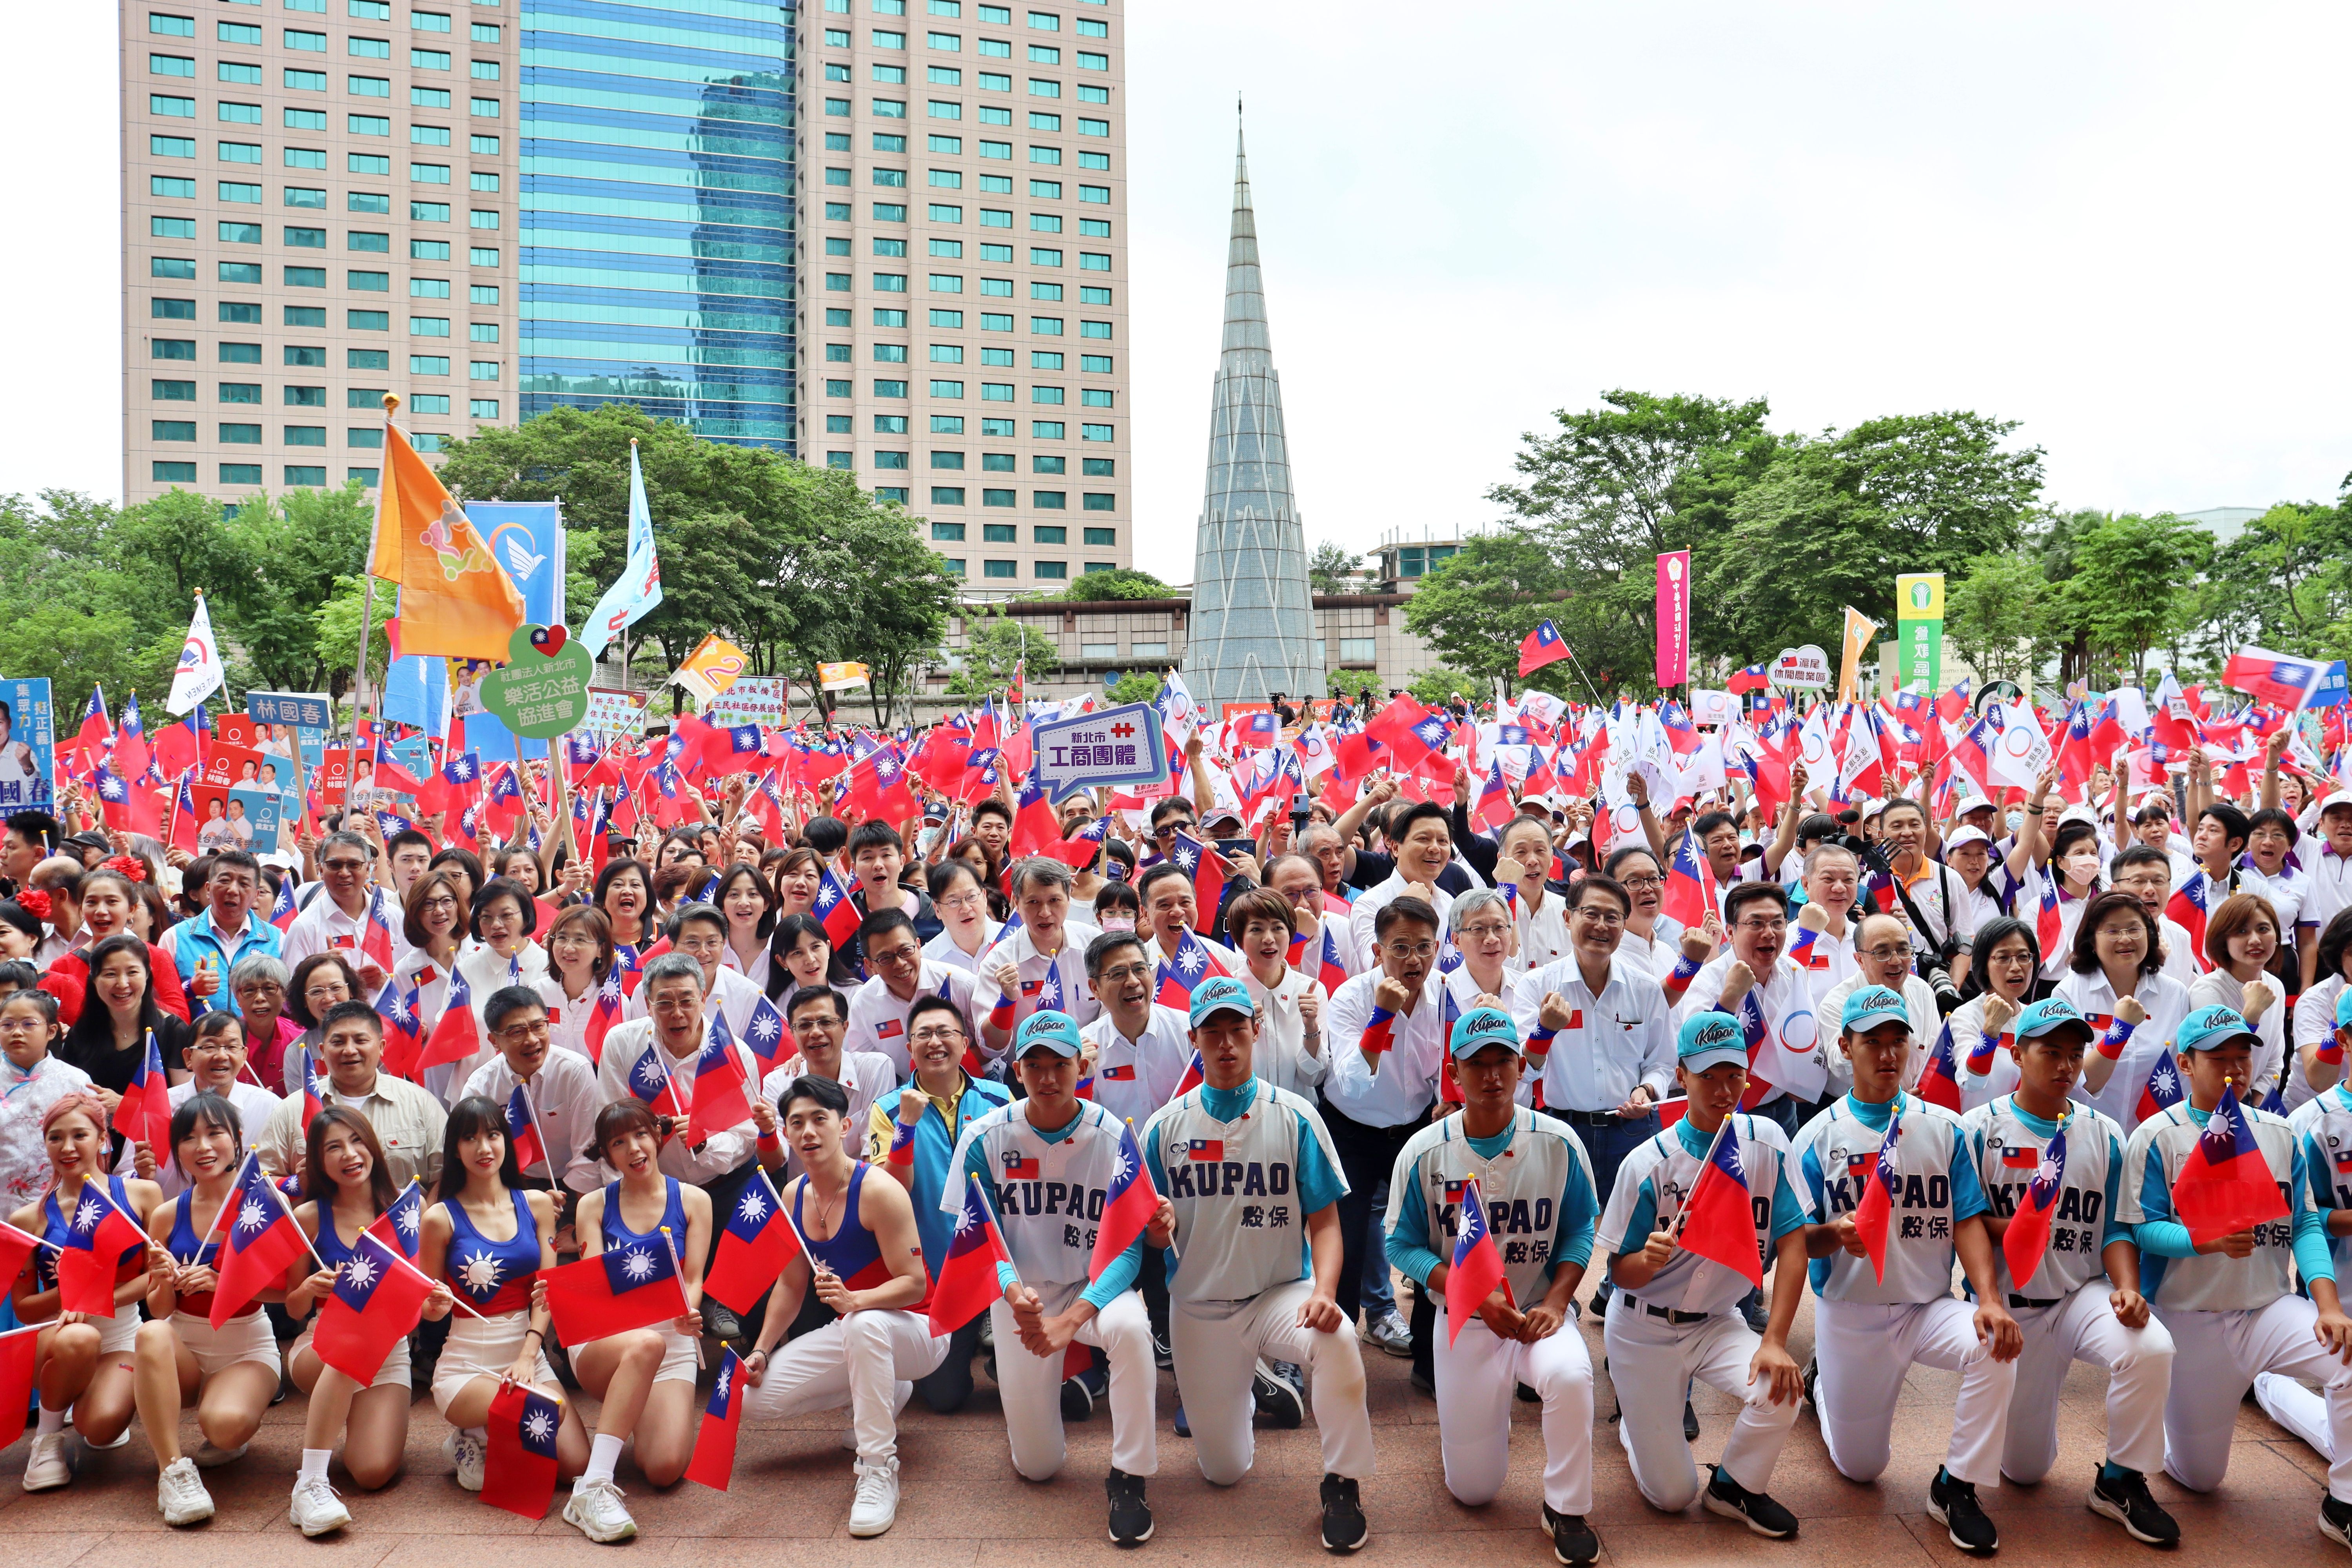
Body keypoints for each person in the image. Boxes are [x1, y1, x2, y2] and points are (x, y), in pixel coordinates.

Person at [1141, 974, 1373, 1552]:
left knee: (1339, 1336)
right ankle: (1250, 1381)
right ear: (1193, 1037)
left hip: (1279, 1294)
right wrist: (1153, 1231)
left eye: (1236, 1029)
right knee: (1223, 1471)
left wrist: (1325, 1289)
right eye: (1212, 1031)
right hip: (1198, 1307)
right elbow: (1143, 1238)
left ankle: (1343, 1482)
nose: (1225, 1043)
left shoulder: (1295, 1115)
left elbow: (1324, 1221)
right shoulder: (1163, 1126)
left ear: (1256, 1030)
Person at [1789, 985, 2023, 1552]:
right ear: (1845, 1046)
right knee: (1861, 1468)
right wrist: (1832, 1235)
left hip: (1927, 1305)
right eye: (1873, 1042)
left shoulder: (1944, 1126)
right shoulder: (1818, 1135)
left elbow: (1968, 1218)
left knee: (1995, 1344)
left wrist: (1987, 1298)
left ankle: (1957, 1486)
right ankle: (1821, 1386)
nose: (1888, 1054)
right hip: (1852, 1313)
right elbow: (1795, 1241)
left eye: (1899, 1041)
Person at [2119, 1004, 2352, 1549]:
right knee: (2203, 1479)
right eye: (2218, 1057)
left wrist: (2328, 1305)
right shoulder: (2157, 1135)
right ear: (2185, 1062)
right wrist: (2206, 1240)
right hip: (2188, 1319)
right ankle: (2264, 1388)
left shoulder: (2277, 1132)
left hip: (2268, 1309)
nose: (2233, 1069)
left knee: (2346, 1354)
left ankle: (2343, 1503)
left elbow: (2308, 1225)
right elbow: (2142, 1232)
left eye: (2241, 1056)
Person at [1954, 996, 2180, 1541]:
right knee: (2026, 1471)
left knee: (2151, 1345)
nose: (2064, 1066)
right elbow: (1966, 1223)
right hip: (2012, 1304)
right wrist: (2004, 1259)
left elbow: (2117, 1229)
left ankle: (2121, 1480)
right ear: (2016, 1052)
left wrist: (2127, 1288)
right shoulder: (1978, 1127)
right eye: (2049, 1052)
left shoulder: (2104, 1132)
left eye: (2075, 1055)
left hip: (2080, 1295)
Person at [1386, 1004, 1604, 1562]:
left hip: (1536, 1311)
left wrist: (1559, 1302)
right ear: (1453, 1074)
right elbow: (1400, 1245)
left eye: (1502, 1061)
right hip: (1463, 1321)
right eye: (1475, 1064)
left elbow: (1581, 1226)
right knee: (1474, 1491)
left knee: (1573, 1376)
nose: (1490, 1076)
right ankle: (1477, 1431)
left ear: (1521, 1067)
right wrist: (1475, 1298)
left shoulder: (1558, 1142)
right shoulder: (1423, 1151)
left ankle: (1566, 1507)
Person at [945, 1010, 1164, 1543]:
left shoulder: (1113, 1134)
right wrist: (1010, 1289)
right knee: (1038, 1467)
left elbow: (1131, 1253)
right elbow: (979, 1237)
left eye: (1060, 1065)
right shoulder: (985, 1135)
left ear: (1082, 1065)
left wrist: (1077, 1318)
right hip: (1022, 1296)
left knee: (1134, 1331)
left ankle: (1130, 1473)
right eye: (1034, 1065)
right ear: (1016, 1069)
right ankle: (1046, 1396)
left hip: (1098, 1288)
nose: (1047, 1077)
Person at [1594, 1010, 1808, 1539]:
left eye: (1733, 1075)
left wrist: (1776, 1340)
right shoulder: (1648, 1163)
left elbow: (1794, 1242)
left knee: (1782, 1388)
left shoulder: (1767, 1141)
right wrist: (1645, 1260)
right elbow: (1618, 1273)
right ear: (1682, 1076)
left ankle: (1735, 1486)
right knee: (1671, 1496)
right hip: (1643, 1330)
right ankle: (1636, 1428)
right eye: (1708, 1075)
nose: (1723, 1089)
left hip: (1716, 1321)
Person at [742, 1074, 949, 1539]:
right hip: (863, 1326)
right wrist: (760, 1350)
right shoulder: (794, 1195)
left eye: (820, 1119)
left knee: (863, 1324)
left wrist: (857, 1301)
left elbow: (915, 1285)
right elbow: (791, 1286)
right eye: (797, 1123)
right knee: (751, 1399)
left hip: (923, 1331)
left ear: (845, 1125)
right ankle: (886, 1393)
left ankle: (877, 1468)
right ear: (787, 1134)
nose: (809, 1132)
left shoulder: (878, 1190)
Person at [418, 1095, 600, 1533]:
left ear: (507, 1141)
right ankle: (469, 1436)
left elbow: (546, 1293)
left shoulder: (537, 1204)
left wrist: (528, 1354)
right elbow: (423, 1304)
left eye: (493, 1134)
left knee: (576, 1465)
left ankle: (488, 1433)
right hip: (466, 1365)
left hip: (527, 1355)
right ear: (456, 1148)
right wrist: (433, 1305)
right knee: (544, 1409)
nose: (484, 1147)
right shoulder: (440, 1217)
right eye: (470, 1137)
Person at [283, 1107, 441, 1535]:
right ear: (318, 1159)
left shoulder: (407, 1212)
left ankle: (350, 1417)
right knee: (347, 1349)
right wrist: (310, 1289)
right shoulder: (310, 1217)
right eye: (334, 1147)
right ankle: (309, 1483)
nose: (349, 1154)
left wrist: (436, 1304)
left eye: (356, 1141)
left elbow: (422, 1304)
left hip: (388, 1355)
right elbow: (294, 1308)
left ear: (372, 1147)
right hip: (322, 1346)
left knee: (372, 1473)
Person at [1507, 876, 1675, 1265]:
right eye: (1591, 914)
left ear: (1624, 923)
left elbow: (1662, 1062)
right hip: (1564, 1129)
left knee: (1636, 1229)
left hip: (1631, 1128)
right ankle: (1555, 1309)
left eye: (1613, 917)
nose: (1602, 925)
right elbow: (1525, 1070)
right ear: (1568, 918)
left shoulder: (1646, 989)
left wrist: (1647, 1092)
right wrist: (1544, 1031)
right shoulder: (1538, 985)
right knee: (1554, 1230)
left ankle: (1616, 1296)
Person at [131, 1094, 280, 1527]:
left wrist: (224, 1283)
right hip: (186, 1344)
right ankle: (172, 1471)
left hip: (247, 1345)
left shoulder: (262, 1205)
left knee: (224, 1427)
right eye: (190, 1137)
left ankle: (228, 1421)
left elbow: (286, 1294)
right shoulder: (164, 1214)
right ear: (177, 1149)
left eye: (215, 1133)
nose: (203, 1146)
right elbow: (159, 1310)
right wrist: (162, 1277)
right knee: (149, 1335)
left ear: (236, 1139)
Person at [866, 991, 1011, 1413]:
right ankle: (969, 1342)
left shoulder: (1000, 1098)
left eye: (945, 1032)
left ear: (966, 1043)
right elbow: (890, 1191)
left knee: (1029, 1371)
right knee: (944, 1397)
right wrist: (906, 1127)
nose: (935, 1042)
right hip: (936, 1273)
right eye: (923, 1034)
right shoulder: (887, 1109)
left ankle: (997, 1339)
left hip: (998, 1264)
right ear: (909, 1048)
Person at [10, 1093, 162, 1491]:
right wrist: (73, 1291)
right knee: (81, 1337)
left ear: (103, 1139)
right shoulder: (28, 1218)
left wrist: (98, 1294)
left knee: (100, 1429)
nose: (68, 1147)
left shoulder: (143, 1195)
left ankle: (90, 1397)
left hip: (122, 1337)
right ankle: (46, 1439)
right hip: (58, 1336)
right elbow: (24, 1308)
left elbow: (157, 1276)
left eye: (80, 1134)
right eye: (55, 1138)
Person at [569, 1099, 712, 1501]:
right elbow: (593, 1286)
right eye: (618, 1142)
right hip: (611, 1337)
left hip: (673, 1334)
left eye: (640, 1134)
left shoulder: (695, 1200)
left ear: (657, 1136)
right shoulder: (593, 1205)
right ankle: (595, 1483)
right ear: (607, 1153)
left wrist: (689, 1310)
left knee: (664, 1469)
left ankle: (638, 1412)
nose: (633, 1148)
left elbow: (694, 1278)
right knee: (643, 1344)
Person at [1320, 895, 1445, 1343]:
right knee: (1348, 1239)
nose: (1414, 959)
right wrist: (1383, 1016)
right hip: (1351, 1128)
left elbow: (1440, 1067)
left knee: (1434, 1234)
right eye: (1401, 947)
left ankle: (1430, 1355)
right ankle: (1338, 1341)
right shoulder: (1352, 996)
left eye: (1424, 947)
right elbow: (1353, 1082)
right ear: (1378, 951)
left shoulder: (1445, 994)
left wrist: (1445, 1098)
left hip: (1413, 1128)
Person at [257, 1000, 448, 1192]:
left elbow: (446, 1179)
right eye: (338, 1042)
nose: (349, 1050)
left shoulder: (421, 1104)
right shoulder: (292, 1110)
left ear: (382, 1047)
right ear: (323, 1051)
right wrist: (297, 1185)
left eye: (361, 1040)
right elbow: (262, 1179)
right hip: (318, 1220)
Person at [2058, 893, 2194, 1131]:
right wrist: (2120, 1030)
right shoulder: (2069, 993)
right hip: (2087, 1132)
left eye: (2134, 930)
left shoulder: (2174, 993)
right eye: (2112, 932)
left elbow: (2182, 1075)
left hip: (2154, 1133)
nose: (2125, 939)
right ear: (2092, 940)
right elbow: (2082, 1082)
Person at [461, 986, 606, 1203]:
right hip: (509, 1187)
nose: (532, 1040)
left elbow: (588, 1155)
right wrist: (523, 1202)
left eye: (538, 1027)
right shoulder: (480, 1087)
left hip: (570, 1184)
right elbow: (474, 1157)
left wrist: (579, 1219)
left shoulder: (575, 1071)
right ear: (494, 1041)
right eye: (517, 1032)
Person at [126, 1011, 281, 1200]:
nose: (221, 1056)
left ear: (244, 1055)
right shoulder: (156, 1107)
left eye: (232, 1047)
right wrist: (140, 1176)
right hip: (169, 1221)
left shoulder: (269, 1107)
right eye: (209, 1047)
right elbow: (122, 1176)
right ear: (188, 1057)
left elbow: (280, 1175)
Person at [755, 986, 895, 1181]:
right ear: (792, 1033)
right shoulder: (777, 1083)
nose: (815, 1033)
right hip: (804, 1198)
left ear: (845, 1028)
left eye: (826, 1022)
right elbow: (773, 1163)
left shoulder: (874, 1069)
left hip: (862, 1189)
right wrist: (767, 1132)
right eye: (804, 1026)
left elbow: (873, 1149)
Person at [974, 858, 1102, 1058]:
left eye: (1054, 901)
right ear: (1016, 902)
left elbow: (1114, 1016)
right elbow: (991, 1048)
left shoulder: (1096, 946)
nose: (1045, 913)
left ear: (1069, 897)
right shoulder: (999, 961)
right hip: (1025, 1074)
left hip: (1090, 1063)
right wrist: (1006, 1001)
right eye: (1033, 902)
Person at [1813, 913, 1940, 1100]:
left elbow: (1934, 1053)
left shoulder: (1922, 991)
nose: (1896, 961)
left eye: (1904, 950)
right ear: (1860, 960)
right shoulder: (1836, 1004)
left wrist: (1925, 1087)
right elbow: (1840, 1068)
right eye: (1882, 953)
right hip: (1858, 1112)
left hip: (1914, 1105)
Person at [846, 907, 978, 1077]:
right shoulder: (863, 1004)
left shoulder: (961, 983)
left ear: (918, 945)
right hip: (905, 1088)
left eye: (905, 951)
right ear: (870, 965)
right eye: (886, 958)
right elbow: (867, 1066)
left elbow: (988, 1046)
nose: (900, 964)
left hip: (972, 1077)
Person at [2186, 893, 2289, 1109]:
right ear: (2224, 941)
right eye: (2242, 931)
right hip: (2212, 1106)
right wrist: (2252, 1014)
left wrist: (2256, 1106)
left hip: (2253, 1105)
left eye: (2263, 929)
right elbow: (2218, 1056)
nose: (2255, 940)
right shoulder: (2207, 990)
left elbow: (2274, 1061)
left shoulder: (2276, 986)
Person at [1227, 887, 1329, 1098]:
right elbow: (1220, 1072)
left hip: (1298, 1117)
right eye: (1256, 929)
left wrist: (1311, 1028)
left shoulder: (1311, 991)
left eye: (1278, 928)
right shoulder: (1227, 993)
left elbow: (1314, 1078)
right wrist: (1239, 1028)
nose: (1269, 939)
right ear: (1240, 939)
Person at [0, 989, 94, 1208]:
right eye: (8, 1025)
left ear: (51, 1031)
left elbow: (96, 1149)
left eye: (28, 1024)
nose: (17, 1032)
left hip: (65, 1201)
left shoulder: (76, 1081)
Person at [279, 831, 401, 995]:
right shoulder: (304, 926)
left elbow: (412, 981)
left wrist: (385, 983)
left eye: (354, 865)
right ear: (321, 870)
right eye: (335, 865)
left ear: (369, 870)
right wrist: (320, 971)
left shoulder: (393, 916)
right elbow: (292, 996)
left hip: (389, 1018)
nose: (344, 873)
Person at [1346, 801, 1456, 968]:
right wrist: (1408, 910)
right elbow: (1377, 969)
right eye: (1423, 839)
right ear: (1395, 847)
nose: (1435, 848)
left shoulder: (1451, 904)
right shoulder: (1369, 904)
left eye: (1443, 841)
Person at [921, 859, 1002, 976]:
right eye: (954, 901)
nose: (966, 909)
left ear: (984, 897)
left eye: (971, 897)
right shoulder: (927, 962)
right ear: (937, 909)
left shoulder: (1012, 939)